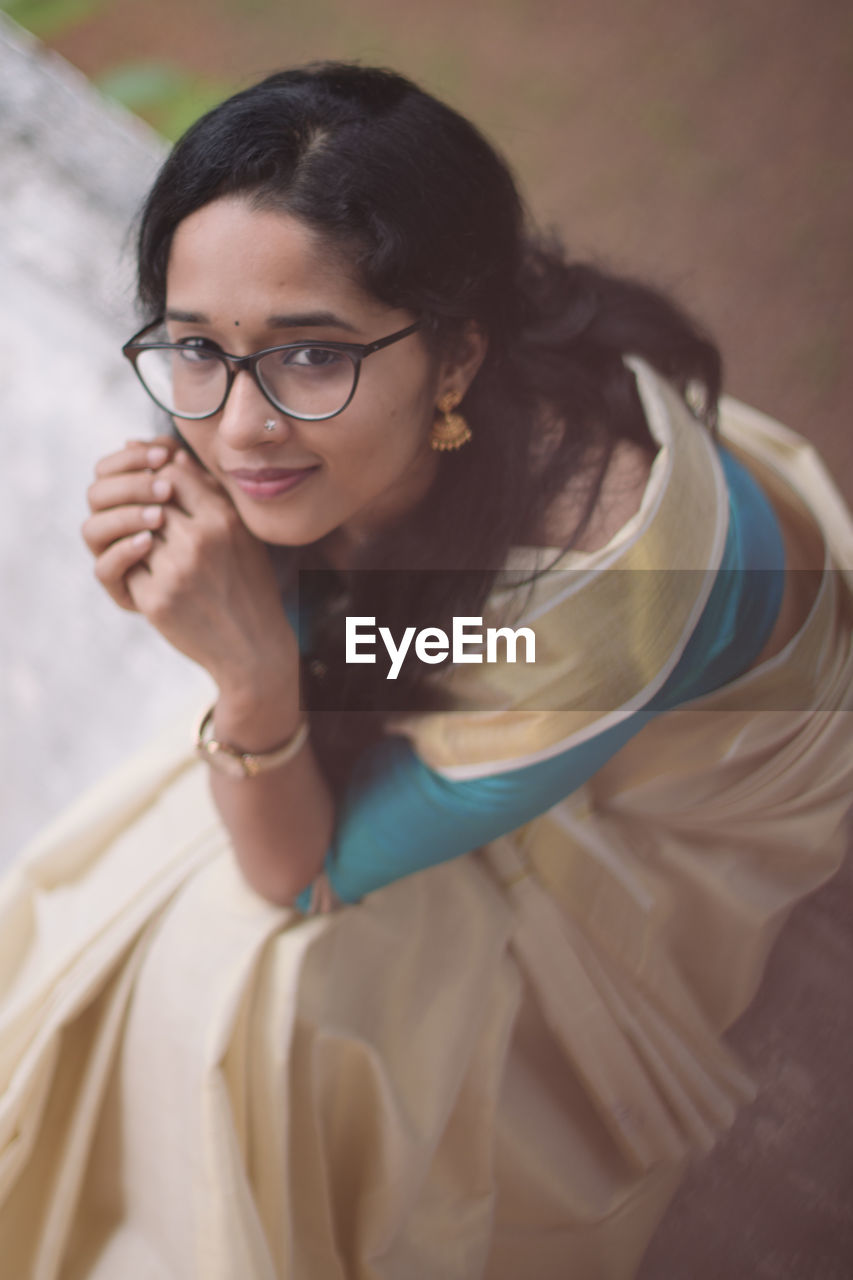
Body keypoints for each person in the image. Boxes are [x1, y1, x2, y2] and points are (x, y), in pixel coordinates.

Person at [0, 62, 850, 1280]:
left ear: (454, 359)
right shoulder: (399, 423)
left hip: (691, 755)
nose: (237, 430)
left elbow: (296, 869)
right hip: (524, 654)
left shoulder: (576, 598)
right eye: (196, 346)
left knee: (260, 994)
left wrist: (246, 667)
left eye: (308, 357)